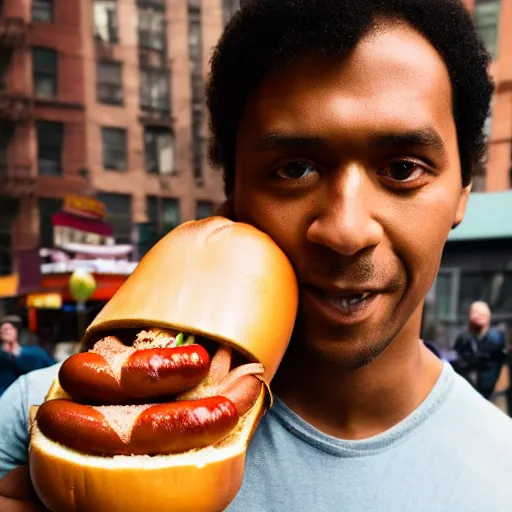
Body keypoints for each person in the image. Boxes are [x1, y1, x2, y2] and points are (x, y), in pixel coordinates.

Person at [2, 0, 512, 510]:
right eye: (294, 170)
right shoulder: (35, 426)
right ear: (233, 189)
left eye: (403, 168)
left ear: (463, 190)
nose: (346, 230)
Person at [453, 301, 507, 400]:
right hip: (466, 392)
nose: (478, 317)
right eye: (475, 314)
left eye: (482, 315)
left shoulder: (496, 339)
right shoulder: (463, 339)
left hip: (490, 393)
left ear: (488, 317)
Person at [0, 317, 54, 396]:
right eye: (2, 329)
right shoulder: (2, 356)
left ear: (16, 331)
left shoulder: (35, 353)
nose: (5, 331)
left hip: (29, 395)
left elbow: (52, 369)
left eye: (8, 328)